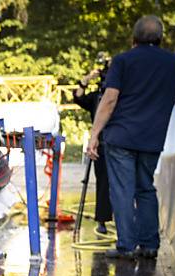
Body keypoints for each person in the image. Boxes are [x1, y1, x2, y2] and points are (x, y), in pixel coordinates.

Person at [87, 15, 175, 259]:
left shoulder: (123, 61)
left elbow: (109, 99)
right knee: (145, 188)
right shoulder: (173, 63)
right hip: (151, 140)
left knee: (122, 191)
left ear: (133, 39)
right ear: (160, 39)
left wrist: (94, 134)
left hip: (120, 138)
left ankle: (126, 246)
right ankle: (150, 245)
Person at [73, 54, 114, 234]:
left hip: (118, 140)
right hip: (101, 143)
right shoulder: (97, 96)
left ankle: (125, 220)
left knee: (123, 182)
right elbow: (78, 97)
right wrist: (87, 79)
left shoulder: (122, 92)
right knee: (103, 183)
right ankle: (103, 221)